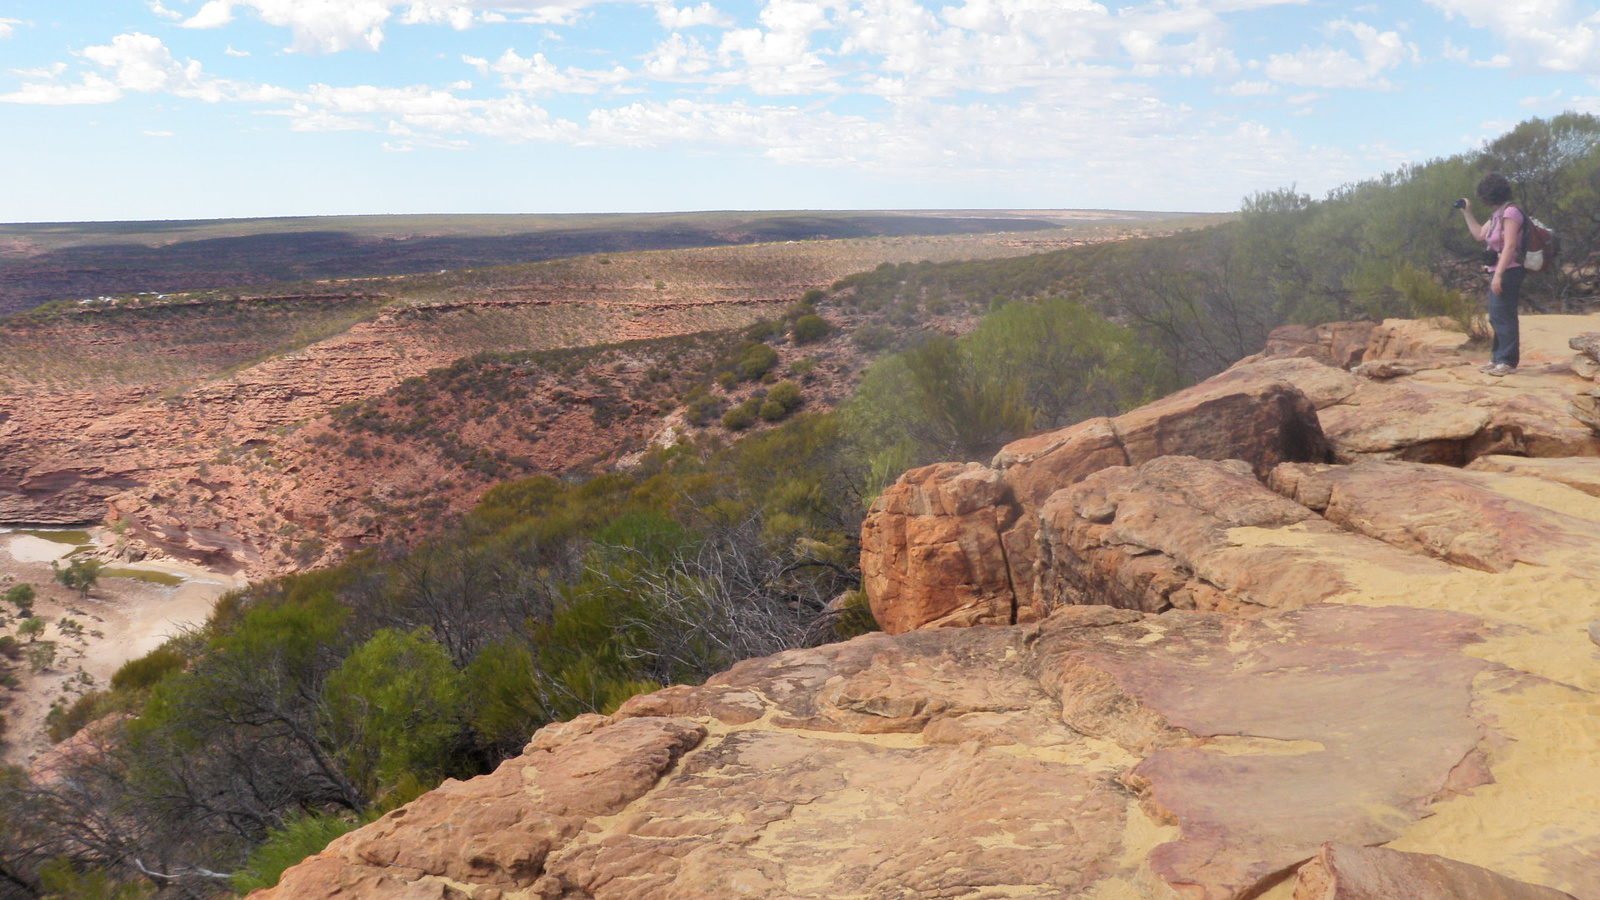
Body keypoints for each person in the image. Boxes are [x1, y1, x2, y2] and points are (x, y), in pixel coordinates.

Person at [1457, 172, 1524, 376]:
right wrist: (1466, 212)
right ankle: (1497, 359)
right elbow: (1479, 234)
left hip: (1509, 271)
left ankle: (1508, 361)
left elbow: (1511, 245)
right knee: (1496, 316)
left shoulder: (1511, 212)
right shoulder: (1497, 214)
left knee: (1504, 315)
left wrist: (1499, 275)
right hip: (1498, 270)